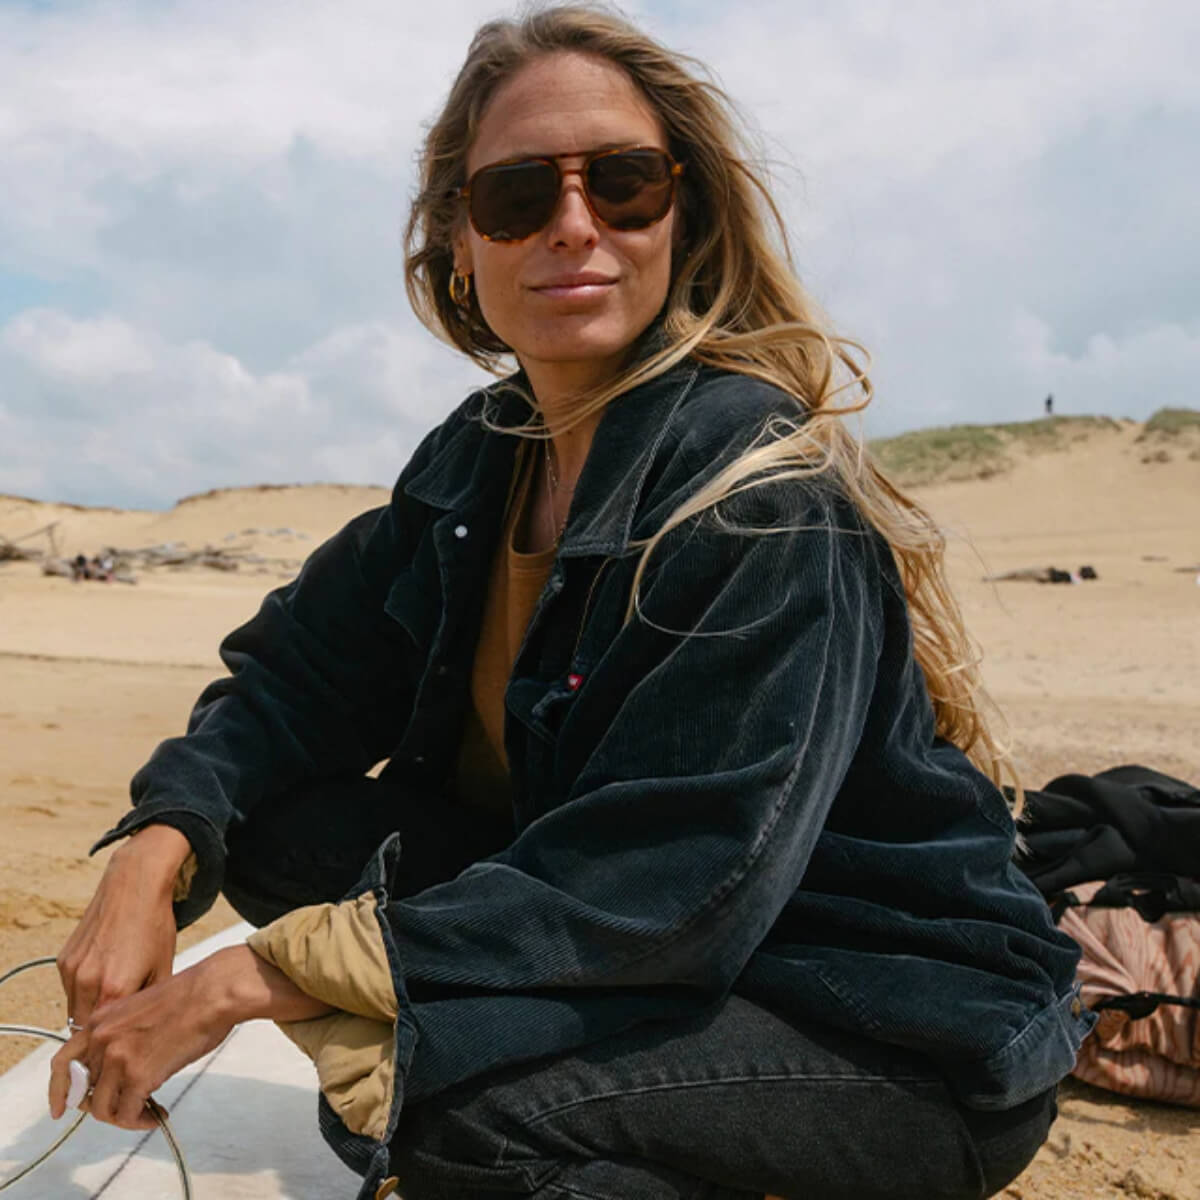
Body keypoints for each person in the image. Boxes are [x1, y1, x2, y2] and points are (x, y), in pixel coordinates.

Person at [48, 8, 1093, 1199]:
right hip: (669, 955)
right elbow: (296, 678)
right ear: (460, 238)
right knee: (282, 833)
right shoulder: (480, 458)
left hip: (877, 1022)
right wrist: (153, 851)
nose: (575, 226)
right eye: (518, 197)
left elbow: (673, 879)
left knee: (451, 1115)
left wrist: (253, 979)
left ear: (682, 212)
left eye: (626, 182)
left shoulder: (757, 496)